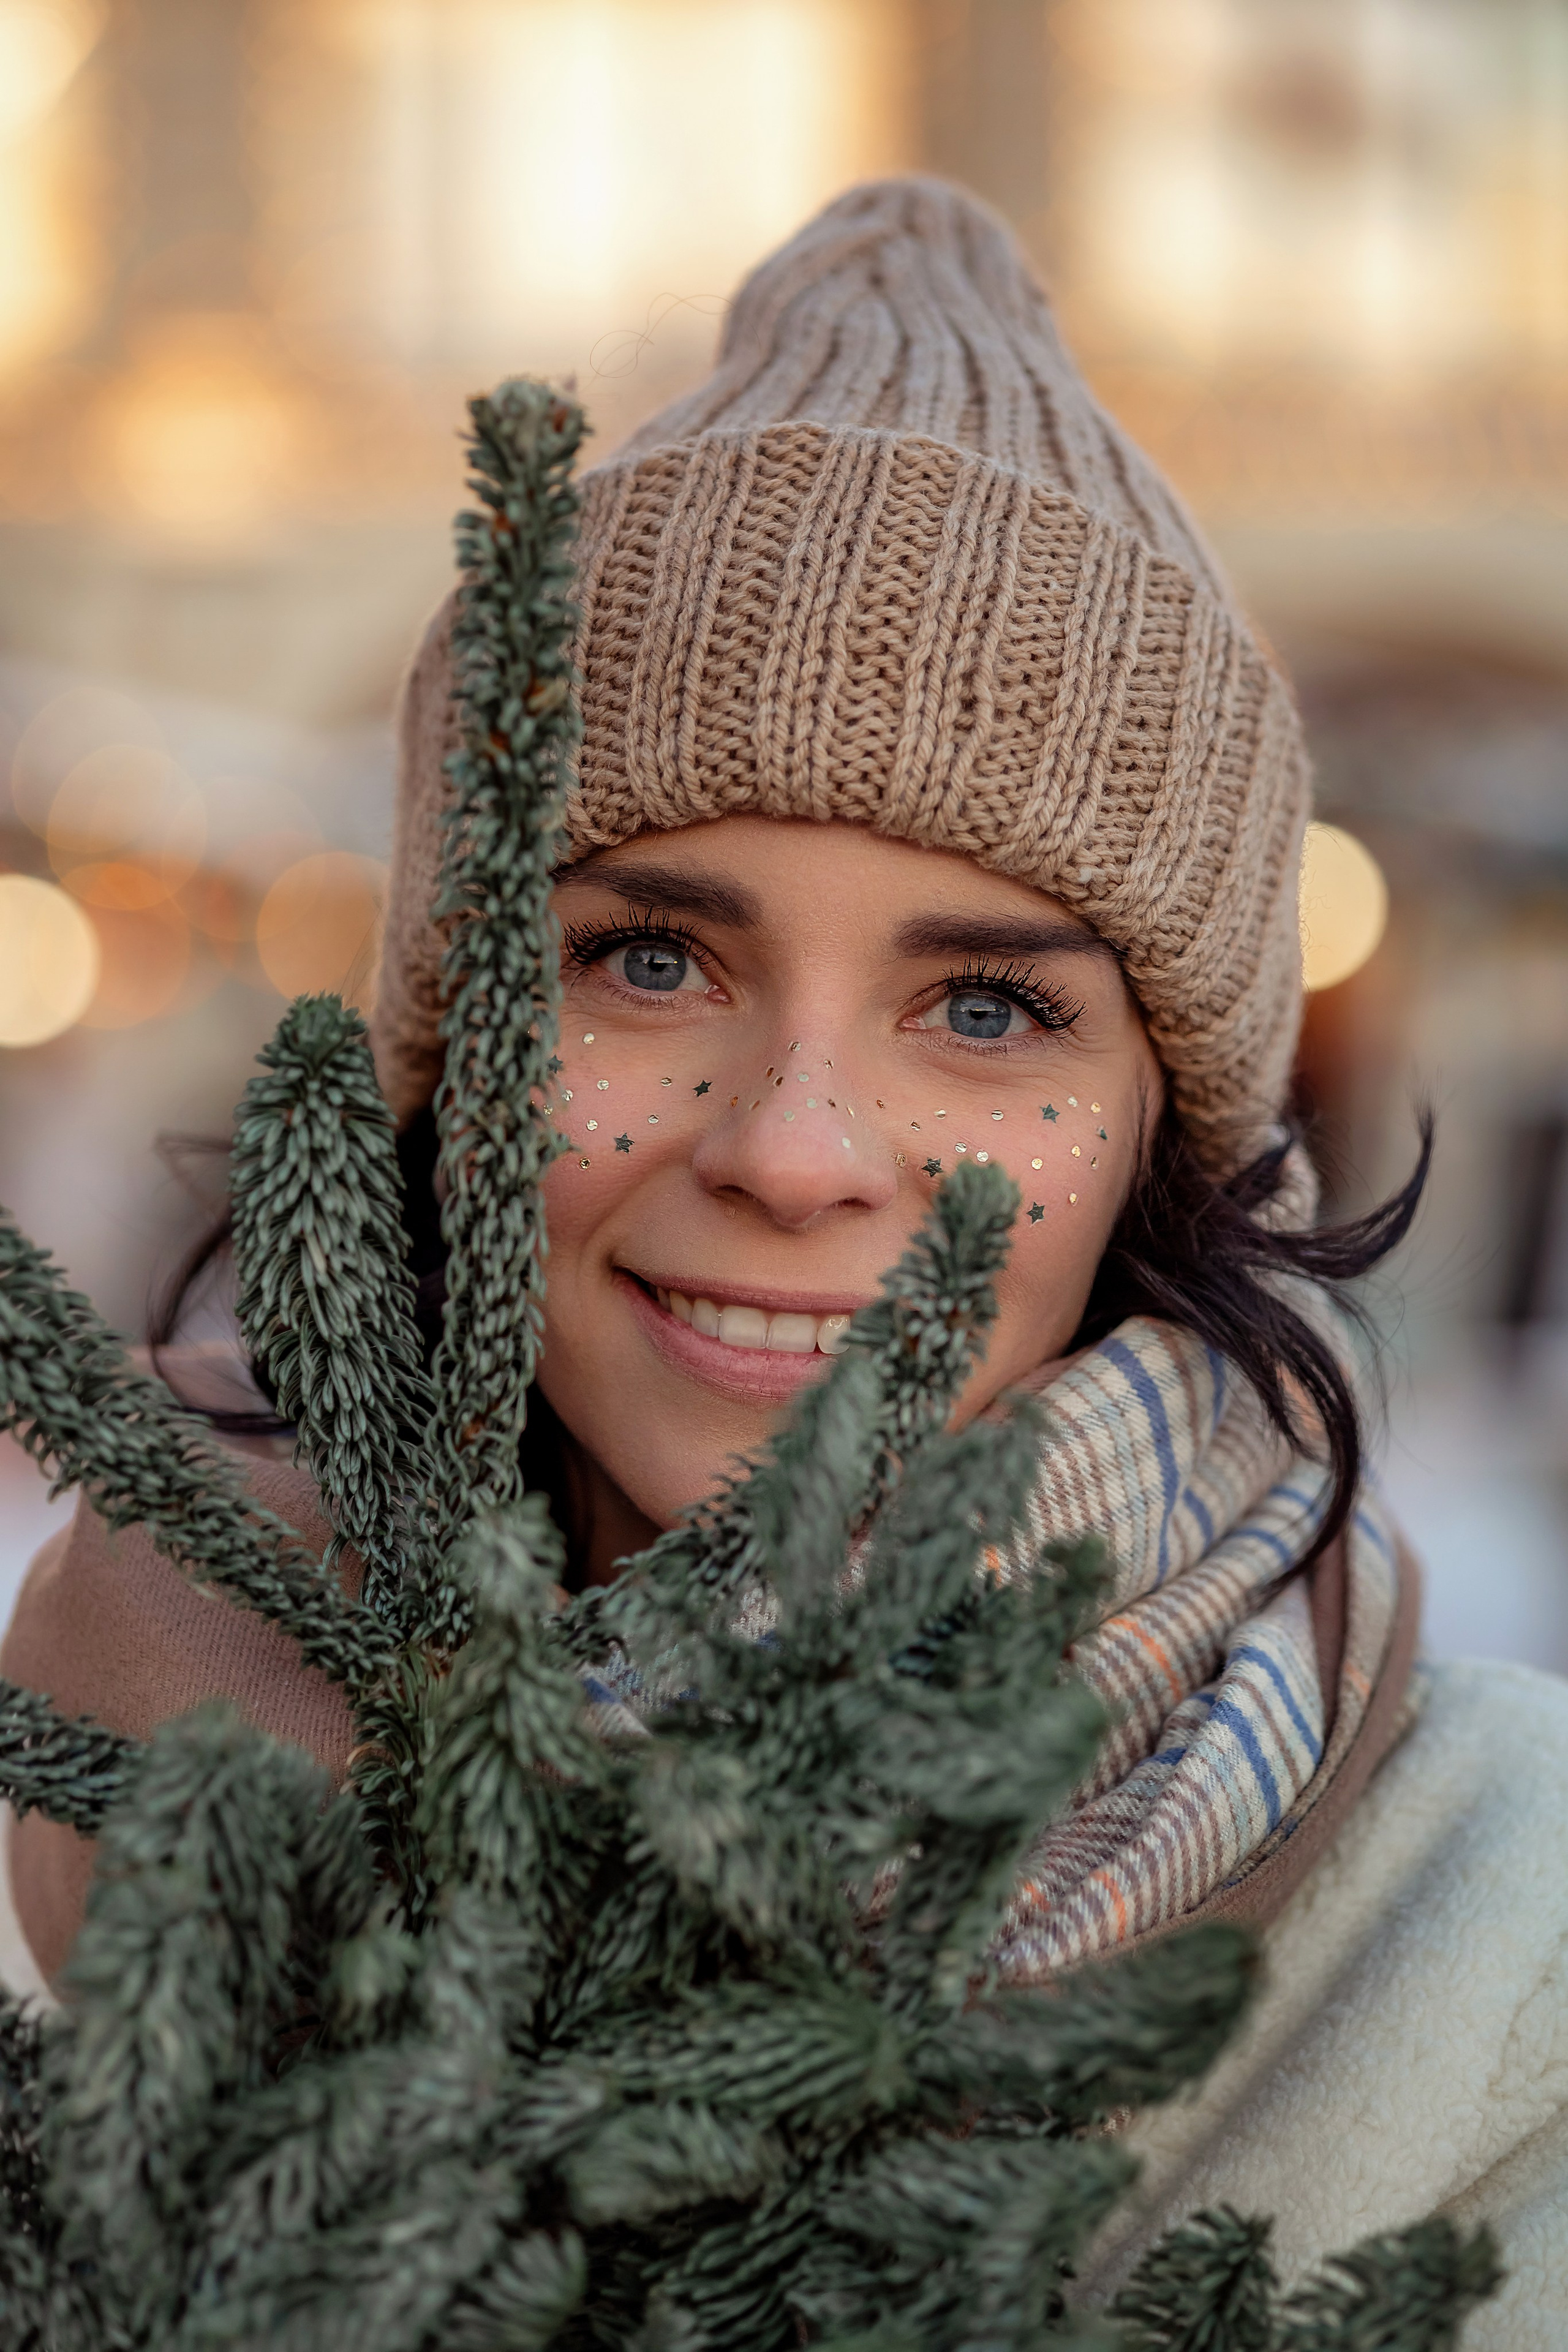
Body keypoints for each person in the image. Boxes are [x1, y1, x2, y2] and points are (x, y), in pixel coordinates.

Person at [5, 179, 1566, 2340]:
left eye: (991, 1007)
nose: (799, 1148)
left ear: (1159, 1131)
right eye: (649, 960)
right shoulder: (82, 1785)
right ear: (453, 1051)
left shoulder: (1509, 1932)